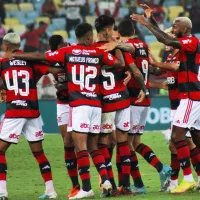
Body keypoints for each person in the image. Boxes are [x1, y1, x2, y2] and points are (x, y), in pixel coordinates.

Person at [8, 22, 125, 199]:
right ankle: (106, 180)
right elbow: (119, 64)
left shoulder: (67, 52)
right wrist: (116, 46)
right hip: (96, 104)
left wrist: (19, 55)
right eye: (91, 36)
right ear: (88, 37)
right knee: (94, 146)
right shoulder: (98, 52)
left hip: (79, 105)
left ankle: (86, 188)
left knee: (80, 147)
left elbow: (41, 55)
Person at [131, 5, 200, 194]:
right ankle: (186, 179)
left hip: (190, 97)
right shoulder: (181, 44)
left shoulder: (191, 41)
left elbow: (165, 37)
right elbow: (165, 36)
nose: (173, 26)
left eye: (176, 24)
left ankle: (187, 179)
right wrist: (151, 19)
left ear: (185, 28)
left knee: (179, 139)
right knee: (182, 139)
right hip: (185, 98)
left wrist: (146, 24)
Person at [0, 33, 65, 199]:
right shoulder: (31, 60)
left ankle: (2, 191)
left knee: (0, 151)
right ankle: (51, 191)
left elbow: (4, 80)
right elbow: (53, 70)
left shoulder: (2, 63)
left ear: (6, 46)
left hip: (15, 111)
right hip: (33, 111)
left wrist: (3, 89)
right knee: (39, 152)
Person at [93, 15, 146, 195]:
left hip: (105, 103)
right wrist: (144, 88)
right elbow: (136, 71)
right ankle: (126, 185)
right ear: (108, 30)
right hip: (122, 100)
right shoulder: (119, 48)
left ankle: (110, 185)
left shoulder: (91, 49)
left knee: (103, 142)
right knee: (123, 142)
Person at [48, 35, 80, 198]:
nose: (57, 53)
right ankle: (75, 186)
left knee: (87, 143)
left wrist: (65, 84)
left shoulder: (74, 50)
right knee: (67, 142)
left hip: (80, 101)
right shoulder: (50, 55)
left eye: (59, 48)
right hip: (63, 103)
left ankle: (103, 180)